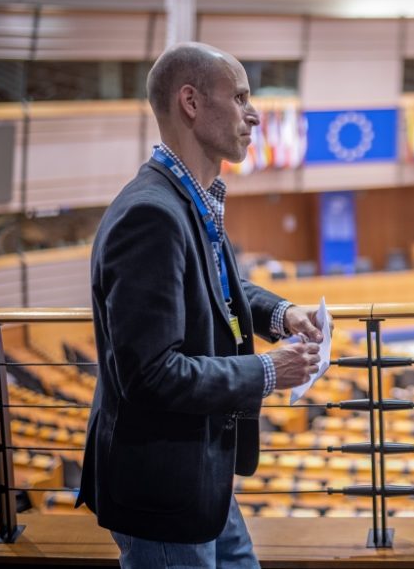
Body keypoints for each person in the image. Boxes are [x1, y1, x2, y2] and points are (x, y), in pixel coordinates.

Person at [77, 42, 327, 568]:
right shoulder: (152, 215)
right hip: (163, 487)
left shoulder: (187, 196)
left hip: (201, 473)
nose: (254, 114)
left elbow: (220, 285)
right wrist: (267, 369)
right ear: (191, 102)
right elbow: (149, 375)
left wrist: (281, 314)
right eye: (239, 97)